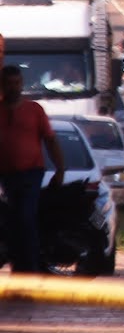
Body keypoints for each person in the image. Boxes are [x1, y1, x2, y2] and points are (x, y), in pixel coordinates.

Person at [1, 63, 64, 273]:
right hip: (5, 177)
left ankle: (31, 269)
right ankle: (17, 266)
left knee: (26, 218)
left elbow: (51, 140)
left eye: (17, 83)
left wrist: (60, 169)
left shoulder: (34, 110)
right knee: (10, 222)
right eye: (9, 84)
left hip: (30, 174)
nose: (13, 87)